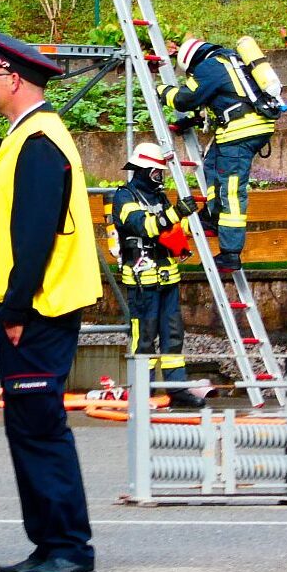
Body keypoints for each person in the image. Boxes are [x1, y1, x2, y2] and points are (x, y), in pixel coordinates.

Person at [0, 31, 101, 572]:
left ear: (14, 80)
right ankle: (49, 544)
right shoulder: (28, 136)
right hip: (31, 309)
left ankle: (68, 548)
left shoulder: (38, 139)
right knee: (29, 429)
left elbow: (37, 235)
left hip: (36, 311)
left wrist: (15, 311)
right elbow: (13, 227)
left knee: (40, 430)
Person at [157, 37, 277, 272]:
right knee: (211, 165)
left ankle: (230, 253)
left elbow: (185, 99)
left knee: (231, 190)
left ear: (192, 61)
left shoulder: (208, 67)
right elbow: (226, 101)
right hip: (245, 127)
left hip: (240, 133)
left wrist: (161, 91)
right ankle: (213, 216)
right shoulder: (231, 61)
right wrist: (189, 122)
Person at [111, 142, 204, 409]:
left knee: (173, 336)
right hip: (143, 281)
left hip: (167, 277)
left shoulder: (159, 197)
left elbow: (174, 229)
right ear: (143, 170)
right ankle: (143, 392)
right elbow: (144, 226)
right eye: (156, 172)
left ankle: (177, 390)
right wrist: (177, 212)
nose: (159, 178)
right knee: (145, 338)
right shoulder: (125, 197)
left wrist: (194, 216)